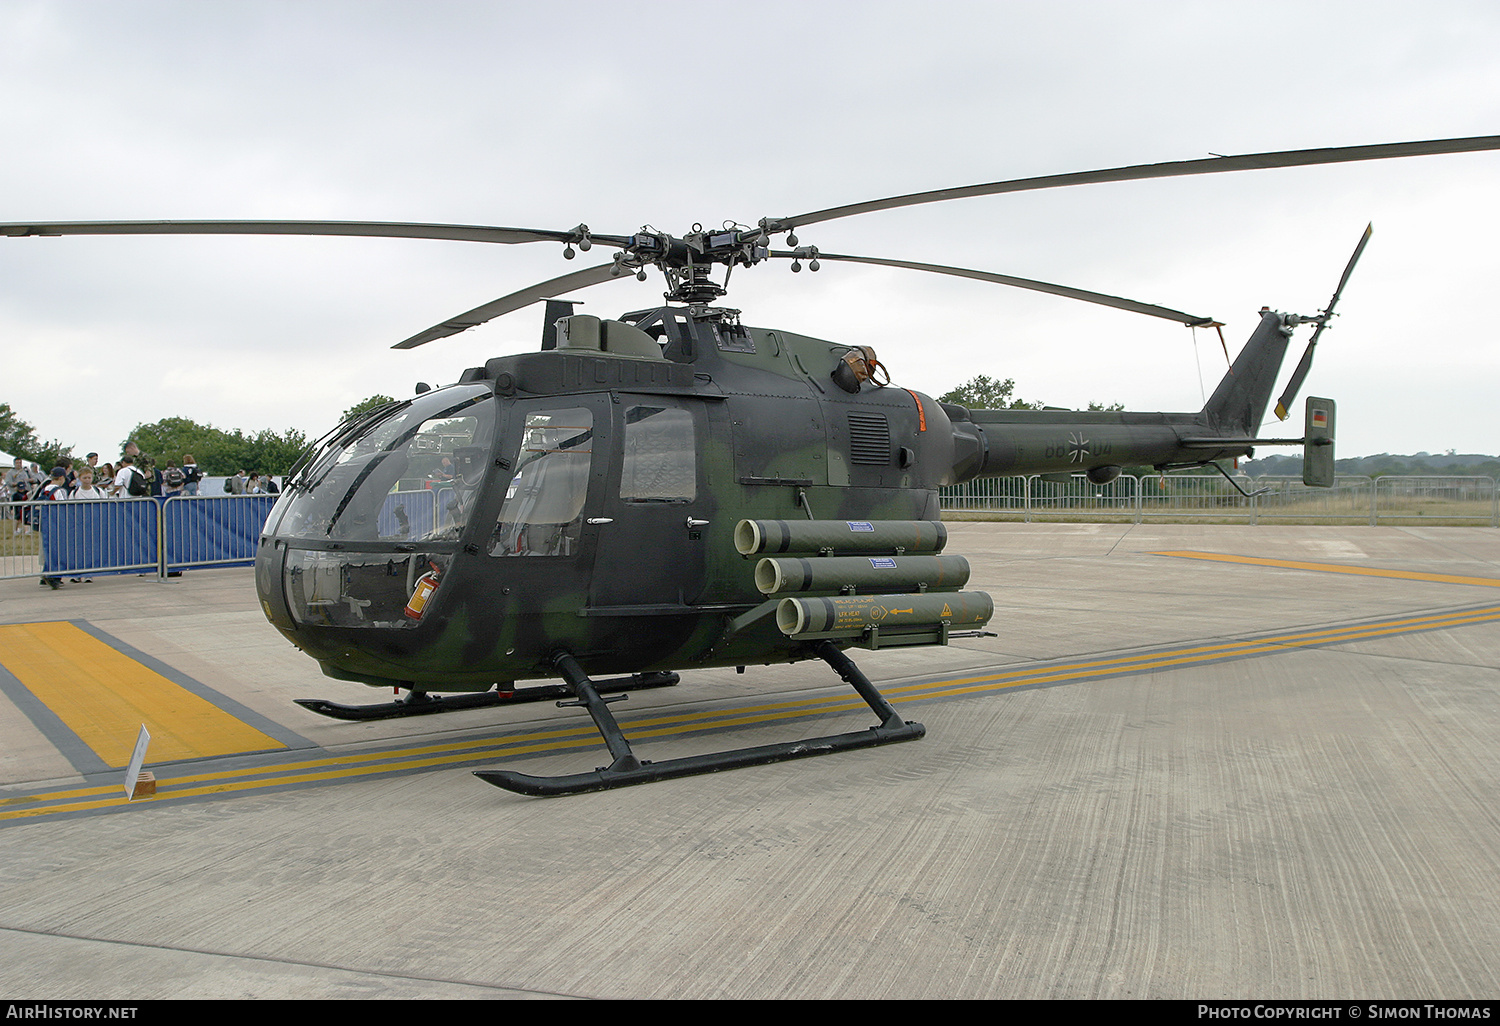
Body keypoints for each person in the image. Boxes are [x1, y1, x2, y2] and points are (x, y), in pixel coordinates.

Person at [37, 467, 69, 589]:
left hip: (46, 523)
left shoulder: (45, 489)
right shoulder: (59, 491)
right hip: (57, 523)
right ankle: (54, 576)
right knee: (59, 551)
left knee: (50, 549)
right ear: (61, 477)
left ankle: (47, 574)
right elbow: (63, 507)